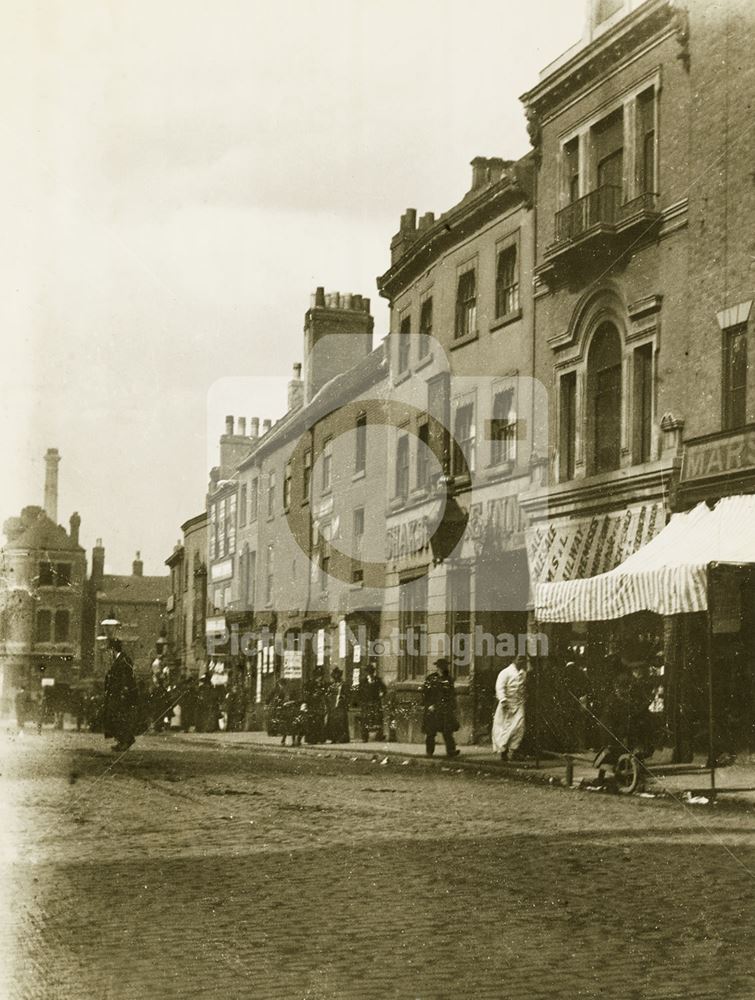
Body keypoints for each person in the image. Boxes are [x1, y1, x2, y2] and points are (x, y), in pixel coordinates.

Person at [102, 640, 138, 752]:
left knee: (119, 717)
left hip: (120, 694)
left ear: (113, 649)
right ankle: (122, 741)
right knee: (115, 717)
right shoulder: (119, 659)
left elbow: (126, 677)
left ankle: (126, 740)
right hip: (116, 693)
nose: (108, 653)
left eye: (109, 650)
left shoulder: (123, 660)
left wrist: (124, 691)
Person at [421, 658, 460, 758]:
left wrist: (452, 707)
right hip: (433, 709)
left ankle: (451, 751)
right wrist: (429, 705)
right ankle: (429, 752)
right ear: (437, 667)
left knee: (448, 731)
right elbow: (425, 693)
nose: (443, 668)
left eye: (445, 666)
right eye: (441, 667)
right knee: (431, 732)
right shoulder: (431, 678)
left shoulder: (449, 679)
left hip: (445, 709)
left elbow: (451, 694)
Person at [492, 654, 528, 761]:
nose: (521, 661)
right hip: (507, 704)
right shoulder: (505, 672)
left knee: (519, 726)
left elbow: (523, 688)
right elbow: (500, 687)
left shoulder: (523, 673)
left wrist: (524, 697)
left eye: (523, 660)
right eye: (519, 659)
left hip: (519, 703)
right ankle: (503, 751)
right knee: (505, 728)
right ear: (513, 659)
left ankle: (514, 749)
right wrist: (503, 700)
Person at [358, 663, 387, 742]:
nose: (370, 673)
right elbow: (359, 692)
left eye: (371, 672)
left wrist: (381, 694)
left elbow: (384, 689)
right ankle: (365, 737)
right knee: (365, 719)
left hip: (375, 701)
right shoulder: (363, 681)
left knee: (377, 719)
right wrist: (362, 700)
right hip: (366, 702)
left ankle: (379, 736)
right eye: (369, 672)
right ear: (367, 672)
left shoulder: (377, 680)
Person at [325, 667, 350, 743]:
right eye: (334, 676)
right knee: (332, 722)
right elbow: (327, 695)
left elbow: (347, 695)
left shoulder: (343, 685)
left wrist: (343, 699)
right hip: (332, 706)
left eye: (337, 676)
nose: (335, 678)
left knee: (341, 722)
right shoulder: (331, 686)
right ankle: (333, 737)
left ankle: (341, 737)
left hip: (340, 706)